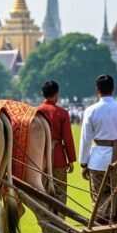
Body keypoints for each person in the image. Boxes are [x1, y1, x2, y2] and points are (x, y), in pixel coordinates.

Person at [79, 75, 117, 225]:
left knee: (99, 196)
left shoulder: (91, 110)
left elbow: (85, 139)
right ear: (113, 88)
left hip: (98, 160)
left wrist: (83, 163)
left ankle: (102, 229)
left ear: (97, 90)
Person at [35, 80, 77, 218]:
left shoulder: (35, 112)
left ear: (42, 93)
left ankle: (45, 222)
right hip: (58, 156)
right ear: (57, 95)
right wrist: (71, 160)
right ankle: (59, 220)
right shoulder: (62, 113)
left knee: (42, 190)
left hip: (39, 158)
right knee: (60, 190)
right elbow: (68, 138)